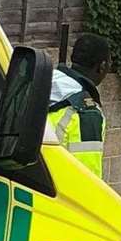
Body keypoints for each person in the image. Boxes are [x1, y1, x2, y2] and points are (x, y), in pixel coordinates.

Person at [46, 33, 111, 178]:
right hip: (57, 193)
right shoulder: (87, 113)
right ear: (102, 66)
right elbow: (88, 176)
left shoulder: (43, 85)